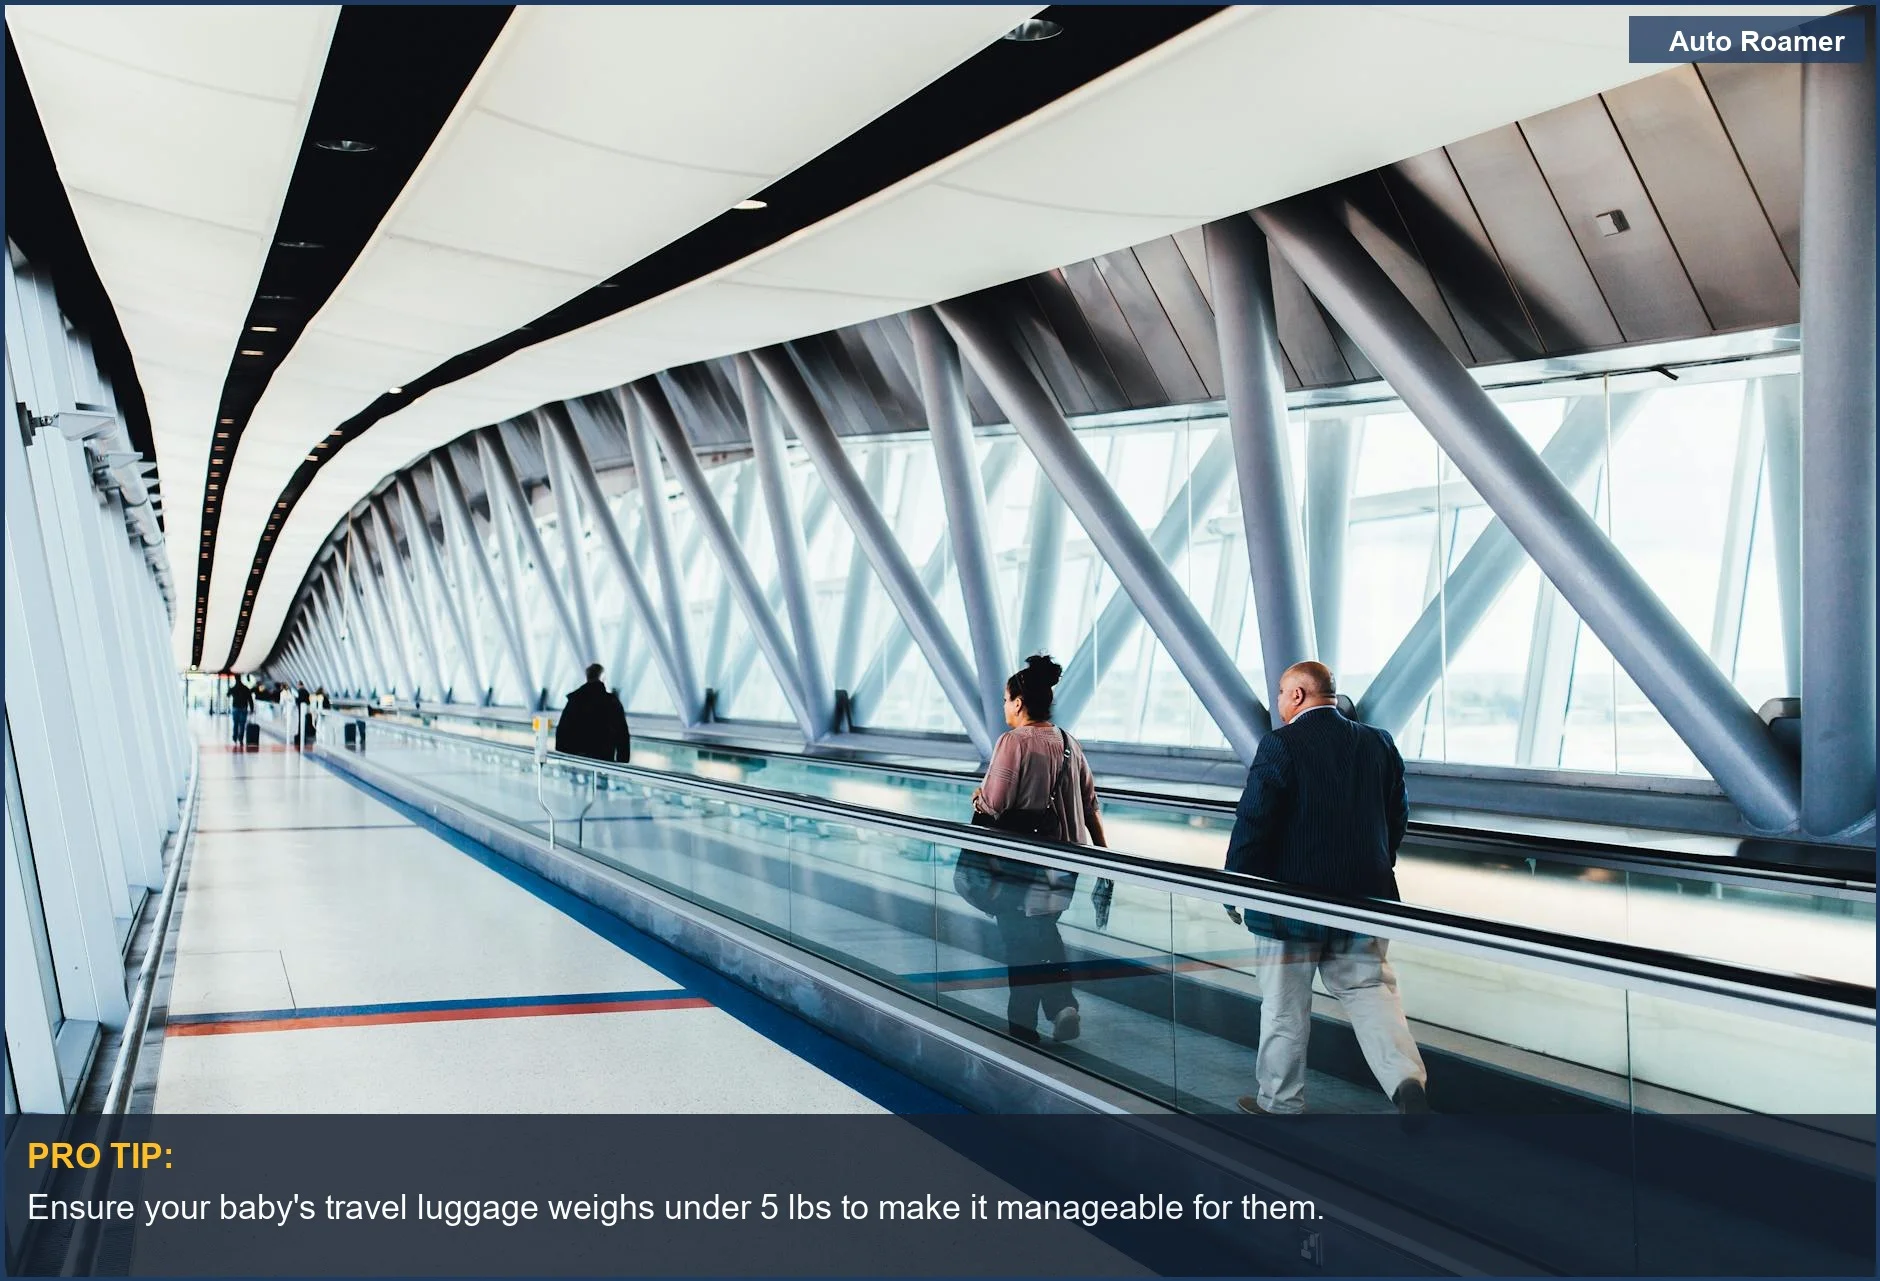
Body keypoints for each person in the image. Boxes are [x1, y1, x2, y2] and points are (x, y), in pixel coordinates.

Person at [1226, 661, 1429, 1122]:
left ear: (1298, 695)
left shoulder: (1282, 744)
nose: (1277, 702)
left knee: (1285, 1007)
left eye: (1280, 692)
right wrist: (1377, 867)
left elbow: (1254, 819)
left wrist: (1235, 884)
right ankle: (1406, 1082)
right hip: (1366, 900)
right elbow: (1397, 816)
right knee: (1372, 991)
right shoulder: (1378, 743)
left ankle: (1280, 1103)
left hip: (1290, 905)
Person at [968, 654, 1111, 1045]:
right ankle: (1062, 1005)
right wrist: (1103, 856)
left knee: (1020, 940)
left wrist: (978, 797)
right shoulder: (1068, 742)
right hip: (1065, 862)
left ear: (1018, 702)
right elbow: (1090, 804)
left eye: (1004, 700)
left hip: (1021, 863)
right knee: (1043, 930)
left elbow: (995, 804)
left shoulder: (1013, 742)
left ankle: (1023, 1028)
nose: (1004, 708)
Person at [555, 664, 631, 763]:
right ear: (602, 678)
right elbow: (622, 733)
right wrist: (623, 761)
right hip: (603, 758)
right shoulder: (611, 702)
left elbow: (563, 729)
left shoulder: (575, 700)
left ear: (587, 677)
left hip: (576, 758)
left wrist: (562, 756)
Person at [229, 676, 254, 744]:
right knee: (242, 724)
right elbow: (250, 699)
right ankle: (241, 738)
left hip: (235, 708)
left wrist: (230, 689)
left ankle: (234, 737)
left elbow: (228, 694)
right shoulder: (245, 688)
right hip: (243, 708)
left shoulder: (234, 688)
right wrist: (252, 708)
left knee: (235, 723)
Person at [278, 681, 299, 747]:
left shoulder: (282, 693)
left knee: (288, 725)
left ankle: (288, 740)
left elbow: (281, 703)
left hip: (287, 710)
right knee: (292, 725)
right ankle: (290, 739)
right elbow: (297, 696)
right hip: (293, 711)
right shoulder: (291, 692)